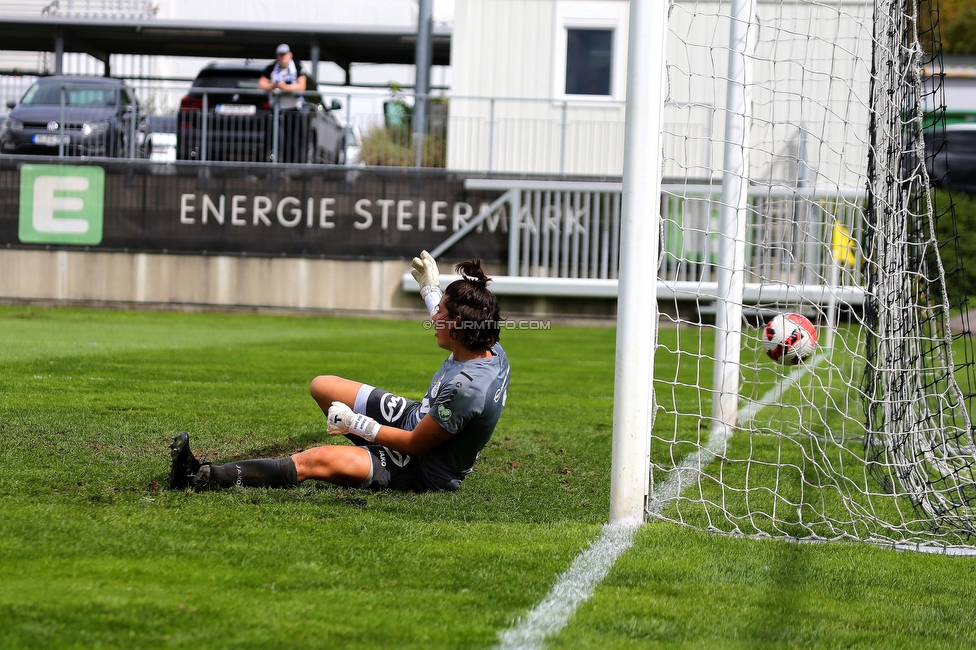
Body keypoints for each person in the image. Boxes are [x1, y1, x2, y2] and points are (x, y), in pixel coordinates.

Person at [167, 253, 511, 493]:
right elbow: (452, 316)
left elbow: (414, 445)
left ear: (460, 327)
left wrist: (357, 425)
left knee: (314, 460)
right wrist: (431, 290)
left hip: (421, 466)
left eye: (442, 316)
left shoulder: (467, 389)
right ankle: (361, 453)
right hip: (415, 416)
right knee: (323, 386)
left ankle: (200, 475)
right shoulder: (488, 346)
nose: (433, 319)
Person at [258, 43, 308, 163]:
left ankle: (291, 166)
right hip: (277, 111)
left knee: (293, 142)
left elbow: (302, 86)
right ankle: (274, 164)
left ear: (290, 55)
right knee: (275, 140)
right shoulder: (272, 68)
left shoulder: (297, 66)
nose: (282, 57)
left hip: (293, 110)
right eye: (280, 55)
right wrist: (273, 86)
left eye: (284, 54)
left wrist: (285, 87)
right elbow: (261, 84)